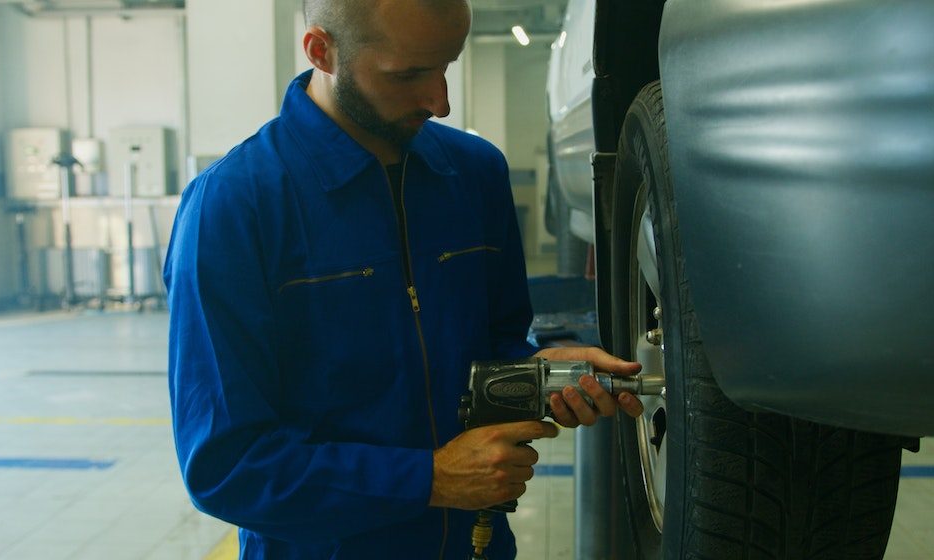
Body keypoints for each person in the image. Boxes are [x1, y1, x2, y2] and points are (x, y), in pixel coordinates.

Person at [163, 0, 644, 557]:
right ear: (322, 51)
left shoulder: (474, 174)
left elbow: (499, 344)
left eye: (446, 65)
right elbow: (226, 465)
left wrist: (539, 373)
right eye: (409, 75)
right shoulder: (235, 207)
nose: (440, 102)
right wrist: (429, 479)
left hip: (476, 545)